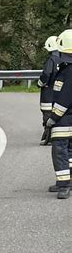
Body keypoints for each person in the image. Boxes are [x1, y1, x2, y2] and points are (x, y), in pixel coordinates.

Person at [45, 29, 72, 199]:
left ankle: (64, 184)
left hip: (64, 120)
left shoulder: (68, 71)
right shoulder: (66, 68)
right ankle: (67, 180)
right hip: (68, 118)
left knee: (60, 151)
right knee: (69, 151)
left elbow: (64, 99)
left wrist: (52, 118)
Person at [37, 36, 61, 145]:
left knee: (47, 113)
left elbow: (46, 74)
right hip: (59, 92)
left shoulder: (51, 59)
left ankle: (49, 136)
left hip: (48, 92)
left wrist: (40, 83)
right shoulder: (63, 58)